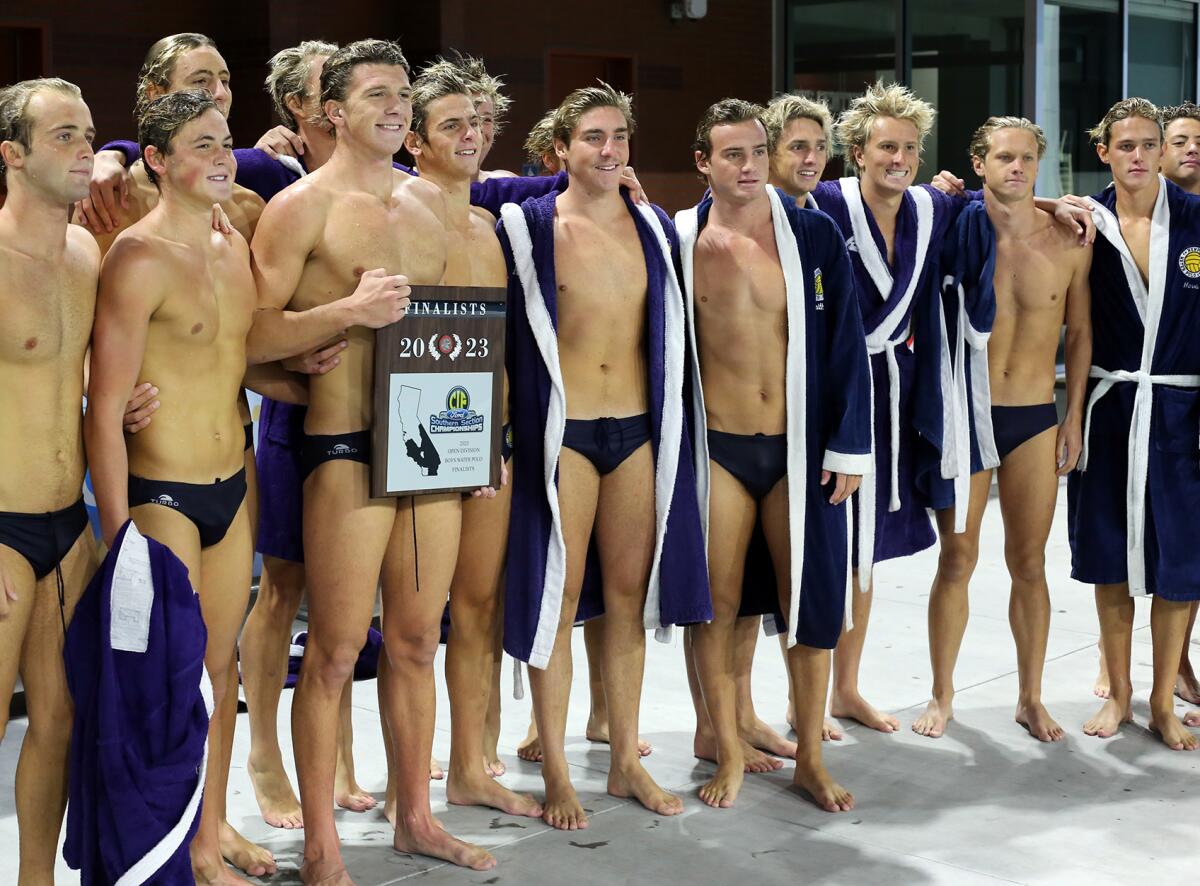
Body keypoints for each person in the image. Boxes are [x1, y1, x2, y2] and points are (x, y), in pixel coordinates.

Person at [247, 39, 498, 876]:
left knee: (419, 640)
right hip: (345, 447)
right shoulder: (303, 206)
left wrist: (480, 441)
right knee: (332, 650)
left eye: (402, 96)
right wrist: (345, 311)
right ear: (332, 113)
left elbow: (464, 340)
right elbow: (252, 332)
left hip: (430, 453)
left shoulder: (435, 204)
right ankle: (321, 844)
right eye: (376, 96)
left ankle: (414, 817)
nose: (394, 109)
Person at [497, 82, 710, 830]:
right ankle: (556, 769)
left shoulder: (653, 226)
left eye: (618, 136)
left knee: (627, 601)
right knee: (557, 599)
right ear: (560, 149)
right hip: (567, 435)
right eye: (593, 137)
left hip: (639, 434)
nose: (609, 149)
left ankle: (624, 760)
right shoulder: (527, 224)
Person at [84, 89, 263, 885]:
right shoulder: (137, 257)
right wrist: (120, 535)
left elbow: (249, 354)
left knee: (220, 670)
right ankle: (159, 852)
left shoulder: (234, 244)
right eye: (201, 145)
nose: (222, 156)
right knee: (169, 683)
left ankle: (206, 837)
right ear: (156, 160)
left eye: (224, 142)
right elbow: (106, 407)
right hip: (163, 494)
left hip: (232, 485)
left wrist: (346, 316)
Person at [676, 99, 870, 811]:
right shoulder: (678, 240)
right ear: (703, 162)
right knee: (716, 608)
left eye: (759, 151)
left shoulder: (812, 234)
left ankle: (811, 759)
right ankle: (725, 748)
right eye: (733, 154)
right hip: (719, 451)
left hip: (799, 449)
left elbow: (848, 344)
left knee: (809, 604)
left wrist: (852, 447)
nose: (751, 166)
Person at [913, 117, 1091, 741]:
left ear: (1039, 164)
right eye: (1004, 158)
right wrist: (951, 193)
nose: (1016, 168)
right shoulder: (951, 225)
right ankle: (942, 694)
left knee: (1030, 562)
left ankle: (1030, 697)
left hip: (1035, 417)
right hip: (968, 414)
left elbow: (1082, 334)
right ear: (979, 163)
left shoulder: (1071, 240)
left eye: (1028, 160)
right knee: (957, 558)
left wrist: (1073, 417)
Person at [402, 59, 541, 818]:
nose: (470, 136)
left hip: (492, 438)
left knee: (481, 608)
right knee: (415, 627)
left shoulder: (491, 226)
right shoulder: (395, 210)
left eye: (478, 123)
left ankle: (468, 766)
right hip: (419, 444)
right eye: (451, 124)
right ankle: (407, 775)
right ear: (417, 140)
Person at [1066, 98, 1200, 751]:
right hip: (1111, 407)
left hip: (1183, 413)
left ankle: (1161, 698)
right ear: (1105, 152)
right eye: (1127, 146)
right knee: (1111, 556)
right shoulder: (1081, 221)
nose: (1140, 156)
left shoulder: (1199, 220)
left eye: (1150, 144)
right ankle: (1118, 693)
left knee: (1181, 561)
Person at [0, 76, 101, 885]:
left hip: (69, 521)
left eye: (88, 133)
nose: (84, 150)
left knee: (60, 719)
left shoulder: (84, 252)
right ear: (12, 154)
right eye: (63, 136)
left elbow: (72, 372)